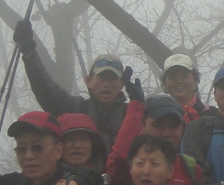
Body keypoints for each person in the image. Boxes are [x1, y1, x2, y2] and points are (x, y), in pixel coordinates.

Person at [13, 20, 138, 151]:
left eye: (112, 79)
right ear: (89, 81)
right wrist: (29, 53)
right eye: (101, 78)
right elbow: (47, 89)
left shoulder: (133, 116)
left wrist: (138, 101)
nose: (106, 84)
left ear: (121, 85)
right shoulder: (75, 108)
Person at [107, 94, 204, 185]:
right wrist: (136, 105)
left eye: (174, 127)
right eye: (158, 125)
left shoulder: (190, 168)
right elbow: (119, 158)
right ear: (142, 126)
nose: (166, 133)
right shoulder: (129, 166)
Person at [161, 53, 205, 123]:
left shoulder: (211, 114)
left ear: (195, 81)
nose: (179, 81)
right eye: (172, 77)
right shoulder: (158, 117)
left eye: (185, 76)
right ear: (165, 84)